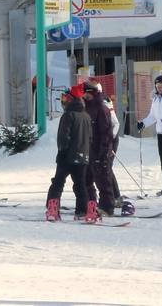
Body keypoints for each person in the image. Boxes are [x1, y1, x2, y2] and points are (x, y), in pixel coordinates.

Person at [46, 85, 92, 221]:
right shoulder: (86, 116)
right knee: (80, 184)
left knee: (58, 183)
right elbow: (90, 137)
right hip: (82, 156)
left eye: (66, 98)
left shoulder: (68, 115)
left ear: (72, 99)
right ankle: (82, 211)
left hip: (67, 156)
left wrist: (62, 151)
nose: (64, 101)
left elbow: (63, 136)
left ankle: (52, 209)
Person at [83, 81, 115, 216]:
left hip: (100, 150)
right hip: (89, 150)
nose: (85, 96)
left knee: (103, 180)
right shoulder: (86, 107)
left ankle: (107, 207)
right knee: (86, 179)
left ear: (93, 93)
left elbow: (106, 133)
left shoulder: (102, 108)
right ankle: (91, 204)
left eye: (87, 93)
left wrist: (103, 153)